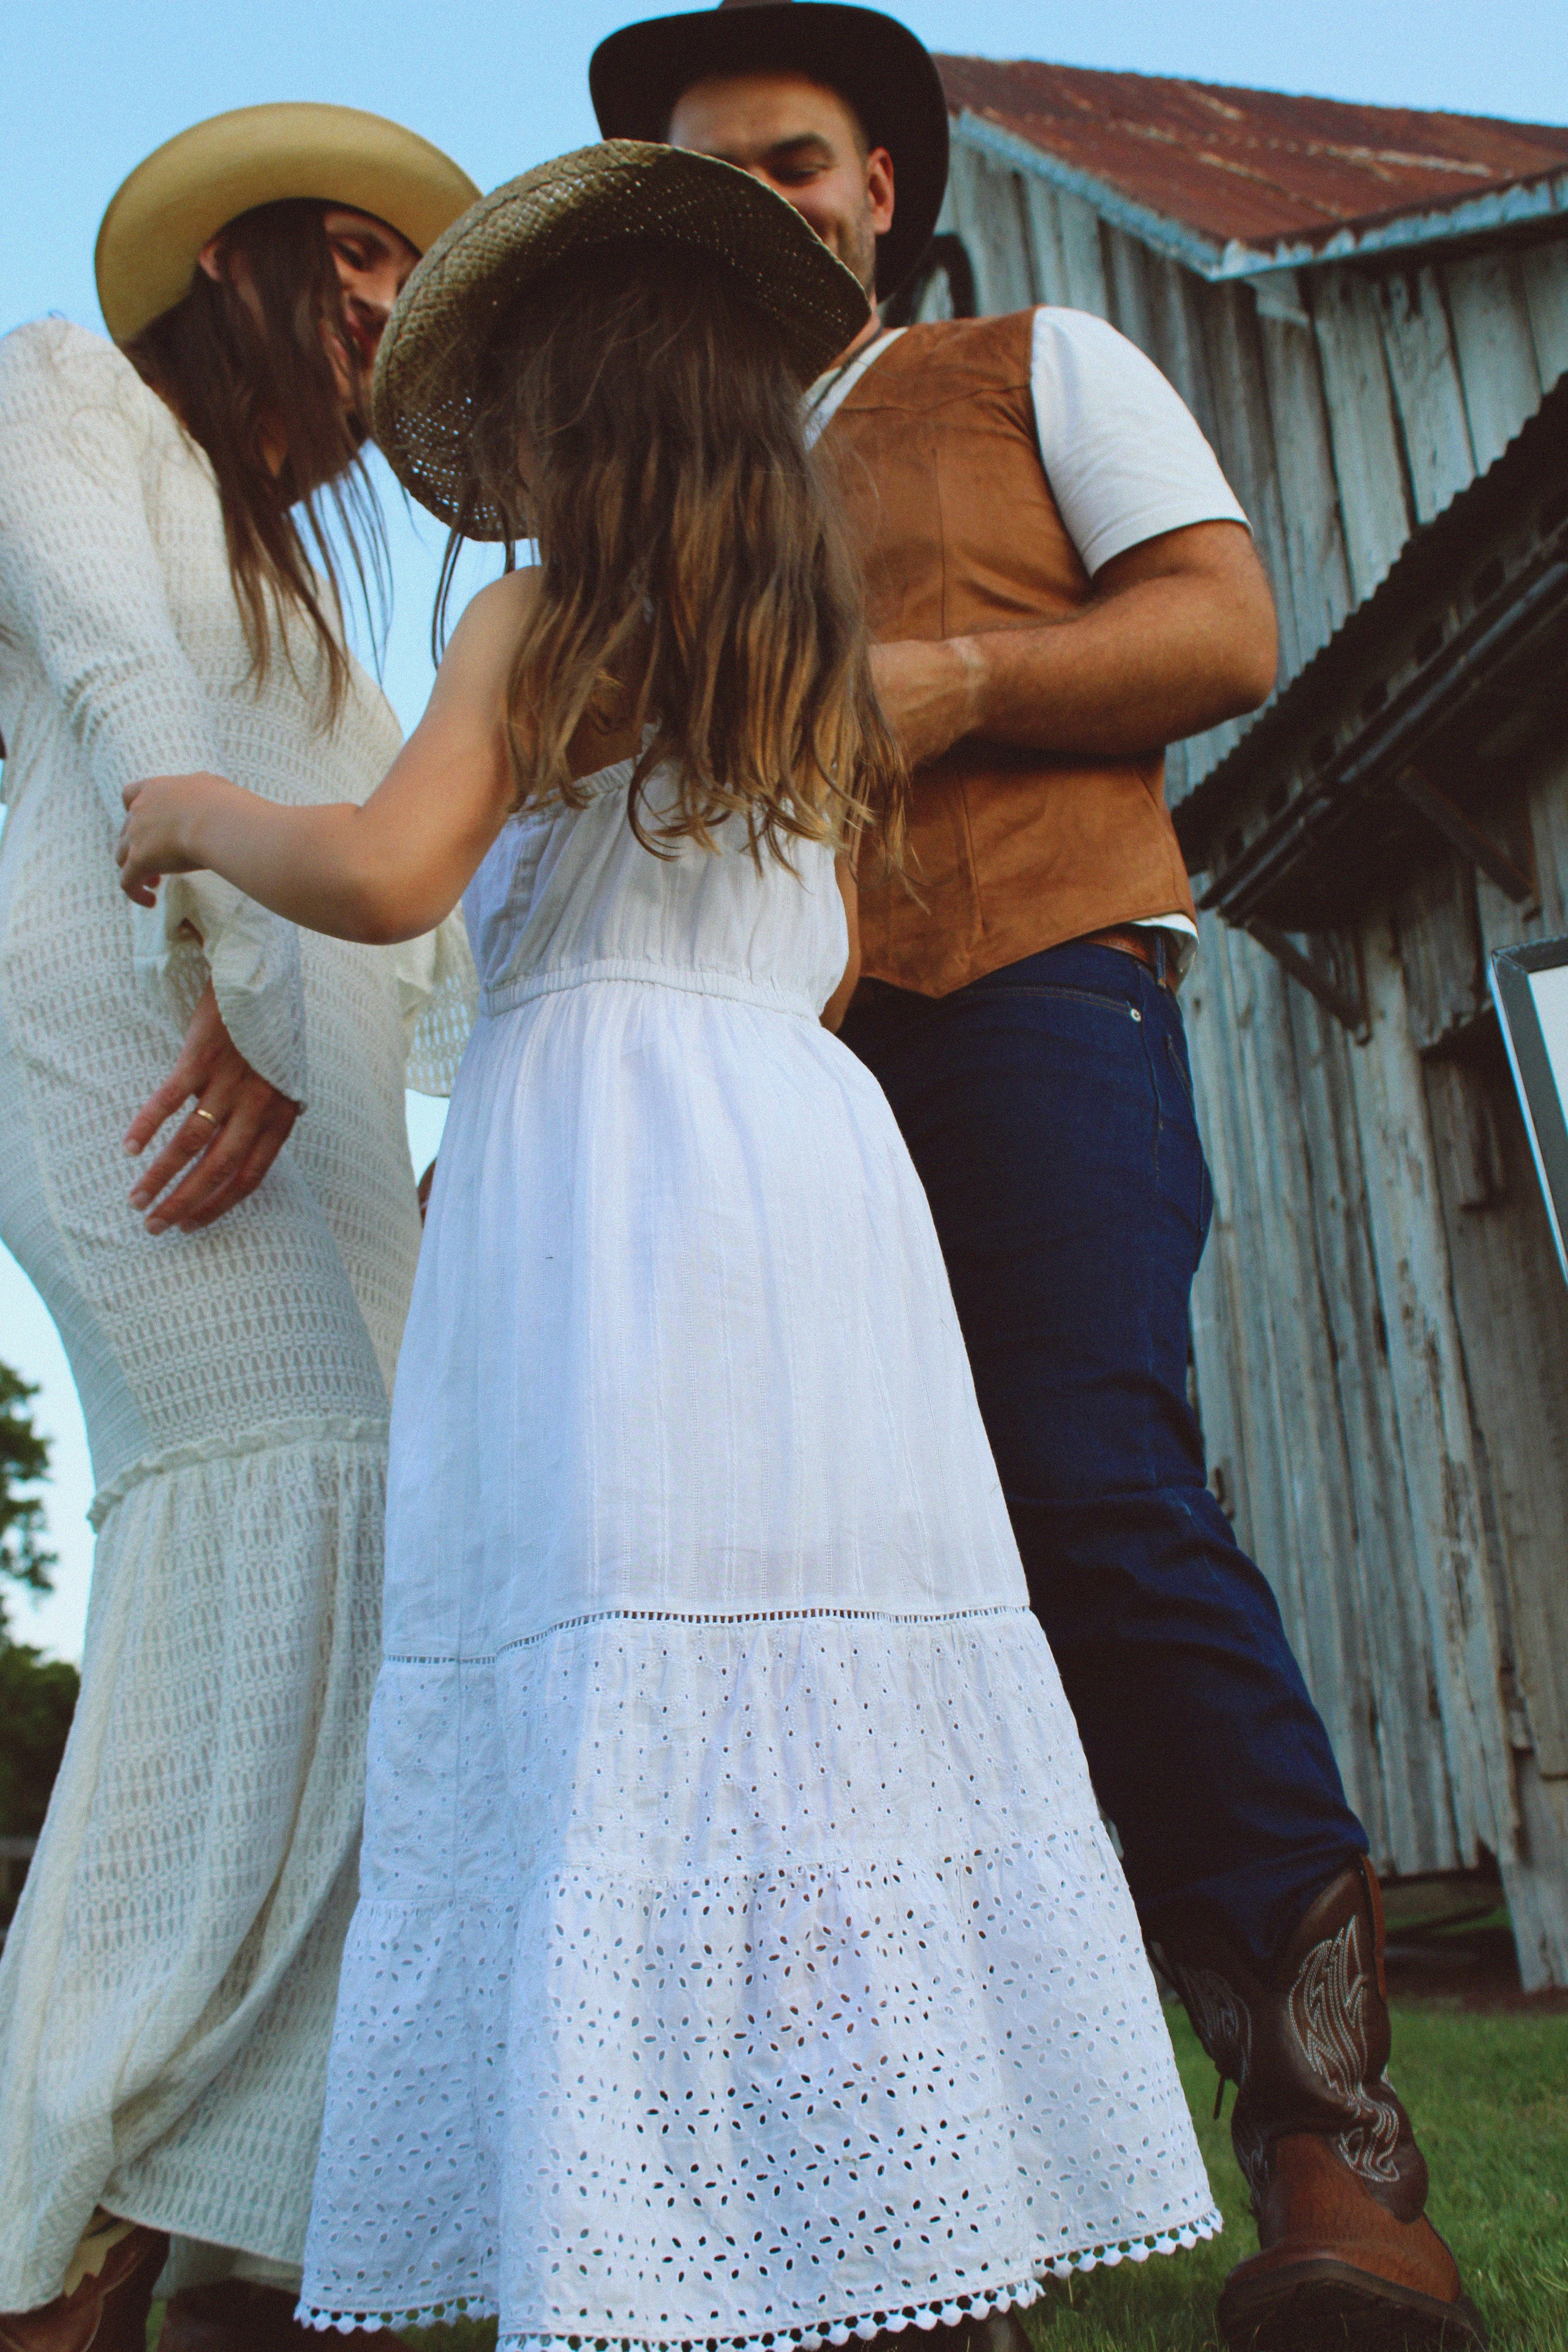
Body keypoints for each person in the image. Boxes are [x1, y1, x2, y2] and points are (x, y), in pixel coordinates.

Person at [116, 139, 1224, 2352]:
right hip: (806, 1189)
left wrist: (204, 819)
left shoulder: (542, 621)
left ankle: (649, 2214)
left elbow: (399, 871)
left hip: (607, 1209)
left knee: (627, 1656)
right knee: (820, 1670)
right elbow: (808, 973)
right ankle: (907, 2227)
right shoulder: (807, 645)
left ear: (567, 420)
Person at [585, 9, 1489, 2351]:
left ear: (885, 184)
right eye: (717, 174)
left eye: (802, 160)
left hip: (1028, 989)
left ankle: (1333, 2152)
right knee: (811, 1585)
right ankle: (912, 2201)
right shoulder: (653, 489)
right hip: (758, 1073)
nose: (768, 199)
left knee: (1085, 1484)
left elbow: (1225, 622)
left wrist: (965, 683)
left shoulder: (1032, 362)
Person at [0, 104, 478, 2352]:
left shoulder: (308, 586)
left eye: (411, 268)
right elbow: (128, 699)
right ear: (235, 264)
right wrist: (267, 1000)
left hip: (326, 1099)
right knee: (265, 1538)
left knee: (384, 1589)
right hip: (152, 1048)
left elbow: (431, 881)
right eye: (355, 254)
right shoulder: (66, 394)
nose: (387, 303)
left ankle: (254, 2267)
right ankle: (52, 2235)